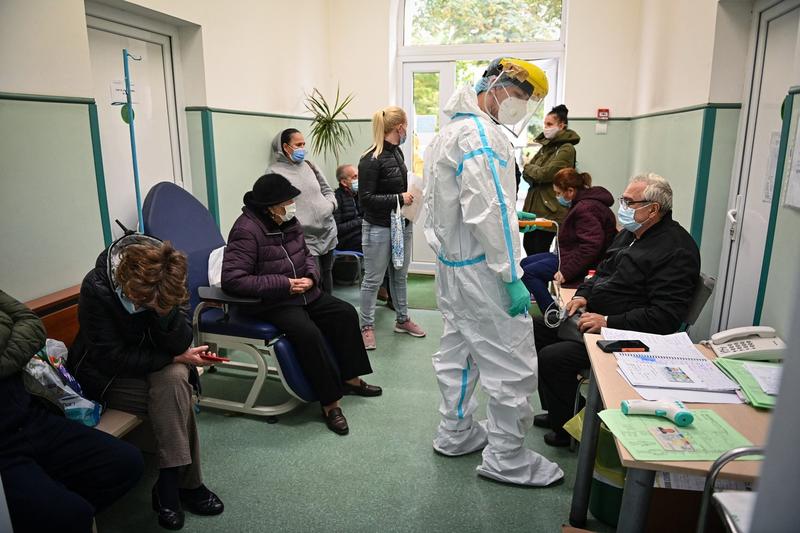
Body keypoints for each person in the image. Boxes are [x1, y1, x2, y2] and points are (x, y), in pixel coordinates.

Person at [422, 56, 563, 486]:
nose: (521, 105)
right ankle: (507, 459)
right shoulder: (484, 135)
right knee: (511, 362)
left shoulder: (449, 133)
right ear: (495, 85)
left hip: (453, 267)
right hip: (486, 270)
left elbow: (446, 207)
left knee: (460, 352)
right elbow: (490, 209)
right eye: (519, 94)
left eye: (528, 100)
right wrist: (511, 275)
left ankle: (456, 433)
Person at [67, 236, 224, 530]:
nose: (146, 307)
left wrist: (164, 315)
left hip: (154, 368)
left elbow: (180, 340)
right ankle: (186, 485)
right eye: (143, 303)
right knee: (177, 395)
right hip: (108, 376)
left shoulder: (169, 281)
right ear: (128, 283)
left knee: (176, 382)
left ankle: (167, 483)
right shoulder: (97, 288)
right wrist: (173, 358)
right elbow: (109, 357)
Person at [534, 173, 701, 447]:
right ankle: (558, 412)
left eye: (628, 201)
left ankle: (569, 429)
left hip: (628, 335)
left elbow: (664, 317)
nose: (622, 207)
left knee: (555, 357)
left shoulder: (675, 250)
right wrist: (582, 296)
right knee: (537, 329)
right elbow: (601, 271)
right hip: (596, 319)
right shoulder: (630, 234)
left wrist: (607, 322)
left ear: (653, 209)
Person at [221, 173, 382, 436]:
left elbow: (306, 255)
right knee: (308, 333)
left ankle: (350, 378)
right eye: (288, 201)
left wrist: (310, 277)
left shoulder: (288, 221)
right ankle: (330, 403)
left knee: (343, 313)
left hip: (303, 292)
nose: (292, 205)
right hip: (272, 302)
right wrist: (283, 284)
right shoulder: (246, 230)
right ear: (271, 206)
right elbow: (233, 280)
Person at [0, 290, 143, 533]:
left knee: (126, 463)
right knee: (71, 515)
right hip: (4, 447)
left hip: (32, 417)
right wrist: (6, 326)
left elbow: (31, 324)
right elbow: (14, 324)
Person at [358, 106, 426, 350]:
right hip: (378, 228)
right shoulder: (370, 159)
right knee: (373, 280)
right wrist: (399, 198)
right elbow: (364, 199)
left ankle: (403, 319)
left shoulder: (397, 153)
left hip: (401, 224)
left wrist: (409, 195)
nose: (407, 129)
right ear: (399, 127)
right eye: (406, 125)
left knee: (400, 275)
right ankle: (366, 326)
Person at [521, 168, 617, 315]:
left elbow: (590, 247)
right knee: (524, 263)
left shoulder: (585, 209)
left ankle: (552, 315)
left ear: (570, 191)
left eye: (558, 193)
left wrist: (567, 271)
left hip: (587, 263)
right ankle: (549, 306)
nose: (557, 197)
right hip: (571, 255)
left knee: (528, 272)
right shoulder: (586, 204)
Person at [268, 128, 338, 294]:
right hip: (305, 238)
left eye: (303, 144)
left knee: (327, 275)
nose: (302, 148)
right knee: (313, 278)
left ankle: (330, 311)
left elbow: (327, 190)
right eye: (298, 144)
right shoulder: (274, 172)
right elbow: (275, 208)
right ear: (285, 147)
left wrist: (331, 206)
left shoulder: (309, 165)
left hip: (327, 231)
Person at [521, 105, 581, 256]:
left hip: (550, 209)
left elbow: (545, 174)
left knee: (539, 252)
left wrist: (532, 170)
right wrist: (531, 170)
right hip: (534, 208)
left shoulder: (566, 149)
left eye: (549, 124)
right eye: (545, 124)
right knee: (528, 246)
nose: (546, 128)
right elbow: (526, 171)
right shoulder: (545, 148)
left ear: (561, 125)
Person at [334, 164, 394, 307]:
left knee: (384, 242)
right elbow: (337, 229)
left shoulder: (360, 195)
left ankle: (388, 292)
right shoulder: (337, 198)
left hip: (362, 234)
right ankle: (380, 288)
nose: (359, 179)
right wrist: (359, 222)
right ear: (343, 182)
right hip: (345, 240)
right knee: (378, 245)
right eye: (355, 177)